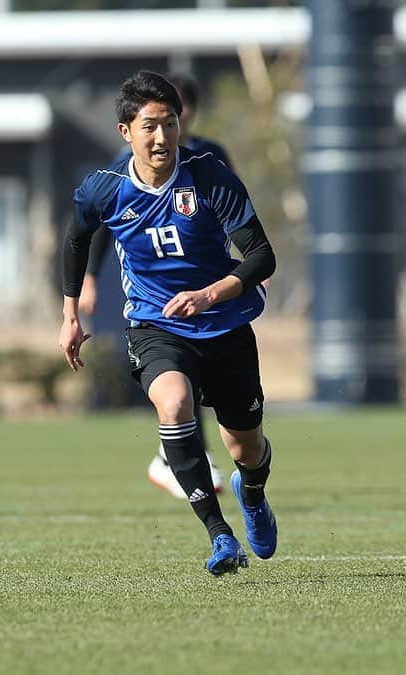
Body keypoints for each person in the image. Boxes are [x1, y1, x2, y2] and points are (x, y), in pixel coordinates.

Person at [59, 70, 277, 575]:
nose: (162, 138)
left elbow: (261, 256)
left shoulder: (209, 174)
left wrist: (211, 293)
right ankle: (220, 535)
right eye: (151, 126)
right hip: (155, 324)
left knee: (246, 446)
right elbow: (76, 238)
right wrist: (70, 314)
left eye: (171, 124)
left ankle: (254, 493)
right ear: (125, 132)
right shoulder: (105, 188)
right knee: (173, 402)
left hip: (225, 324)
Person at [77, 73, 233, 501]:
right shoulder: (127, 164)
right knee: (177, 374)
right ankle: (184, 456)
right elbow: (102, 226)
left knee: (216, 382)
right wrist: (89, 278)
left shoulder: (209, 157)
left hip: (208, 286)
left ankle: (181, 456)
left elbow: (233, 209)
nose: (161, 128)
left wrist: (245, 267)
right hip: (161, 290)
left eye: (173, 112)